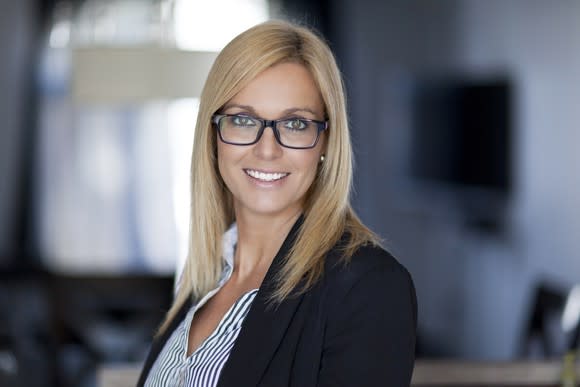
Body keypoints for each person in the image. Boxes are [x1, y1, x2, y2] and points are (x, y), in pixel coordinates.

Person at [138, 19, 417, 387]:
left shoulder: (370, 288)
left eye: (295, 124)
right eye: (242, 119)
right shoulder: (206, 279)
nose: (266, 149)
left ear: (325, 143)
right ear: (214, 136)